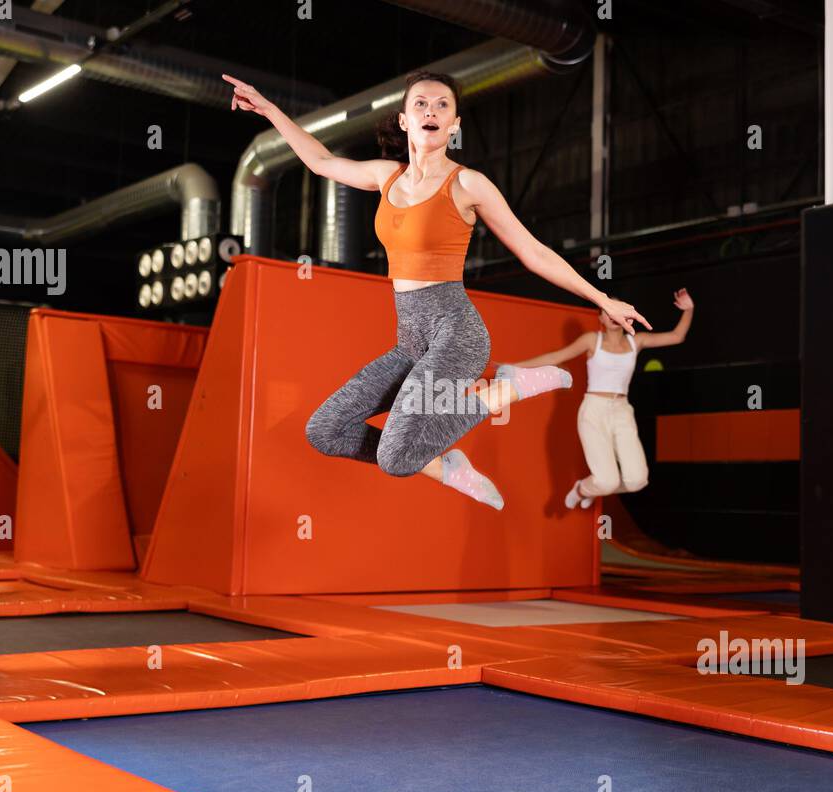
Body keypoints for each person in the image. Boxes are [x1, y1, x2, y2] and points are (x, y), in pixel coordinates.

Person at [224, 69, 651, 510]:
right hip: (410, 341)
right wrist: (271, 110)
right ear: (405, 120)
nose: (431, 110)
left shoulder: (467, 184)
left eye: (442, 105)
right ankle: (446, 467)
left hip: (456, 335)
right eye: (421, 104)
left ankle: (506, 389)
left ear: (455, 124)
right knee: (326, 429)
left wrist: (601, 298)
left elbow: (533, 251)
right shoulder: (385, 176)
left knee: (394, 458)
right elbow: (320, 161)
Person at [498, 289, 695, 509]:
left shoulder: (636, 342)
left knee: (638, 480)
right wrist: (515, 368)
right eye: (607, 311)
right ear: (601, 317)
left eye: (617, 310)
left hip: (622, 411)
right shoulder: (592, 340)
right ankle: (584, 489)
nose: (612, 315)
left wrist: (689, 310)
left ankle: (595, 487)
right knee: (606, 481)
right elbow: (557, 357)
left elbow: (677, 336)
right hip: (594, 410)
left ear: (628, 315)